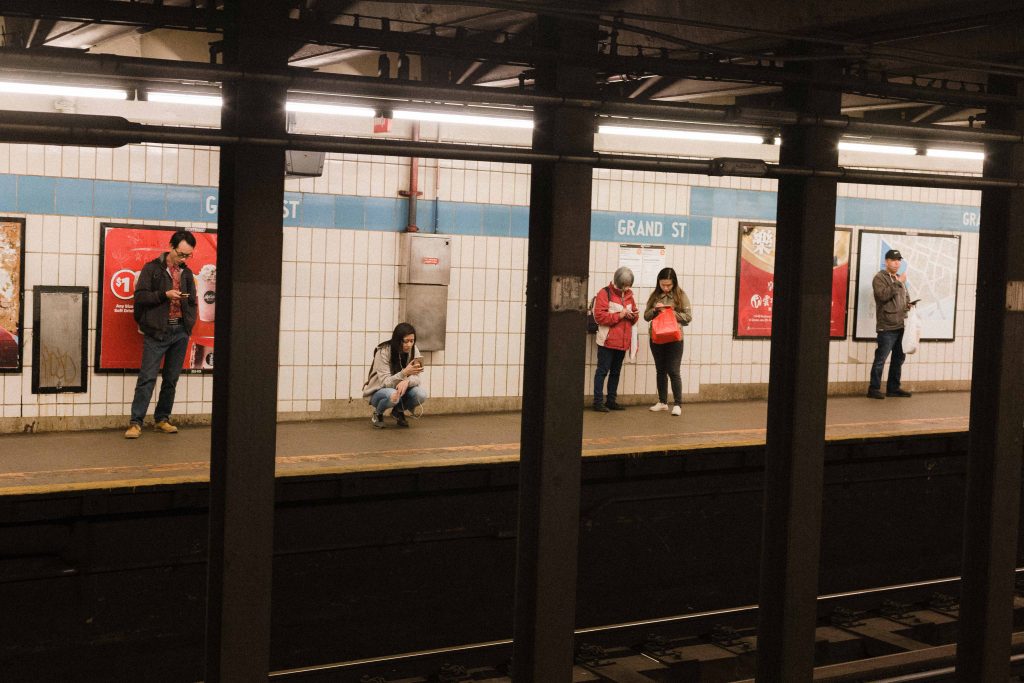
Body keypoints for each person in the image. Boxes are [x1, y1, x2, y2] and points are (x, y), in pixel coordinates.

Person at [125, 231, 198, 438]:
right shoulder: (152, 269)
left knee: (171, 379)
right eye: (181, 254)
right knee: (147, 378)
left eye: (188, 255)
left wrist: (188, 323)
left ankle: (162, 419)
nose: (183, 259)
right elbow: (140, 297)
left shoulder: (186, 273)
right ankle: (136, 422)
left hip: (180, 331)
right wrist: (164, 295)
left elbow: (192, 301)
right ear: (171, 247)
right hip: (157, 331)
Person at [644, 267, 693, 416]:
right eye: (663, 284)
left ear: (674, 283)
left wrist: (670, 312)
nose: (665, 288)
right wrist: (655, 310)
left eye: (669, 285)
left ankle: (678, 404)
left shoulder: (680, 295)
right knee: (660, 370)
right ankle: (662, 402)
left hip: (675, 338)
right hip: (657, 337)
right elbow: (646, 316)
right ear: (658, 282)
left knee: (673, 370)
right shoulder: (654, 296)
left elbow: (688, 317)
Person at [363, 322, 428, 428]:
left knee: (421, 394)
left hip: (402, 388)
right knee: (393, 394)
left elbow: (417, 378)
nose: (409, 345)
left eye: (412, 341)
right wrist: (404, 373)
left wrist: (407, 381)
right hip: (381, 391)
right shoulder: (383, 351)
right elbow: (385, 382)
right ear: (398, 340)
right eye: (405, 341)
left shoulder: (414, 350)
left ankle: (398, 411)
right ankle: (378, 414)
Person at [868, 249, 913, 399]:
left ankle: (893, 388)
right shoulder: (879, 278)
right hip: (887, 326)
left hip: (901, 325)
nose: (897, 263)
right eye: (893, 260)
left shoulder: (899, 278)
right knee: (880, 359)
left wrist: (909, 305)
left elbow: (905, 298)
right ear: (886, 262)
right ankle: (873, 389)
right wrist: (898, 283)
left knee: (898, 359)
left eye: (899, 260)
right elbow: (883, 296)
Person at [592, 267, 638, 412]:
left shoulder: (630, 296)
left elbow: (635, 316)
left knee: (616, 372)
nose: (626, 289)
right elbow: (599, 317)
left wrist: (633, 315)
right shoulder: (604, 293)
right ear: (617, 282)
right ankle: (598, 402)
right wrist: (620, 315)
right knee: (602, 371)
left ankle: (611, 400)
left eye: (628, 286)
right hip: (607, 341)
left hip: (622, 342)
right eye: (623, 285)